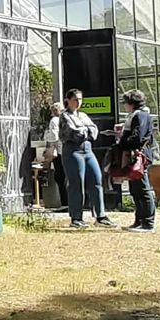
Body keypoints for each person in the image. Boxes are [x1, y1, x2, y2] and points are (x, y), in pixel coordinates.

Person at [56, 89, 112, 228]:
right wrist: (86, 130)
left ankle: (100, 215)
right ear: (68, 100)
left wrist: (85, 130)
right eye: (75, 99)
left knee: (96, 179)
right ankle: (76, 217)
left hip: (87, 150)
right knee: (76, 183)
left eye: (80, 99)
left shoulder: (83, 115)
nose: (78, 102)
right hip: (73, 151)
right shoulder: (65, 116)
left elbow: (94, 130)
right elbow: (73, 132)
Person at [114, 88, 157, 231]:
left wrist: (122, 142)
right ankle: (139, 220)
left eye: (125, 102)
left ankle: (148, 222)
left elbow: (138, 137)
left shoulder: (141, 115)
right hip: (135, 155)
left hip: (140, 156)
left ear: (131, 103)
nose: (124, 106)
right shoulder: (136, 115)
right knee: (135, 189)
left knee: (143, 188)